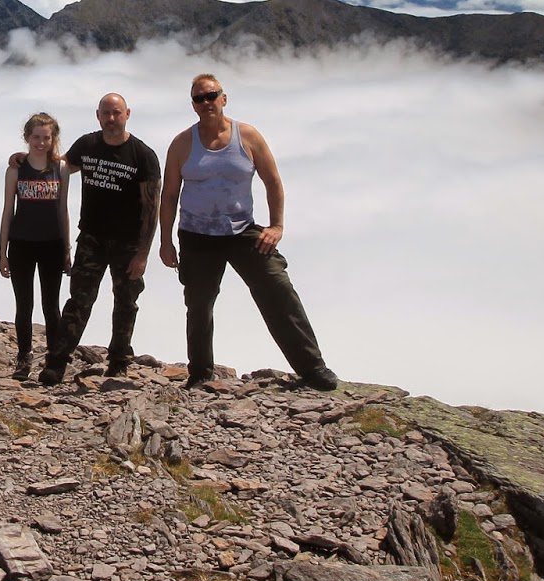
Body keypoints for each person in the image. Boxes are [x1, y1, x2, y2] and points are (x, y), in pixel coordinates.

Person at [157, 74, 339, 391]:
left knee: (278, 290)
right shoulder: (182, 143)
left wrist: (277, 226)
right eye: (199, 98)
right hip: (196, 235)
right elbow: (169, 194)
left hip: (242, 231)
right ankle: (200, 374)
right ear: (193, 105)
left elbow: (273, 181)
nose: (206, 102)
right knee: (199, 305)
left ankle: (313, 368)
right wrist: (165, 241)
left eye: (211, 95)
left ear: (223, 98)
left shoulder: (248, 136)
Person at [37, 93, 160, 386]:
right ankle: (57, 362)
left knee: (126, 301)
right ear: (98, 115)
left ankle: (119, 361)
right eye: (106, 113)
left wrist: (143, 253)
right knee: (79, 300)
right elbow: (61, 166)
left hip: (128, 242)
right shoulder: (88, 145)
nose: (111, 119)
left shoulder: (142, 155)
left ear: (127, 114)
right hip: (91, 238)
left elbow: (151, 207)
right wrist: (27, 159)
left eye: (116, 113)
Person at [0, 112, 70, 380]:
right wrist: (2, 252)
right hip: (21, 243)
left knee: (51, 306)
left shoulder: (60, 169)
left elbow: (63, 210)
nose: (41, 142)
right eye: (36, 137)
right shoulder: (15, 169)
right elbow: (7, 211)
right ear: (27, 137)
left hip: (52, 243)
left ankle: (53, 359)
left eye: (46, 137)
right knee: (23, 304)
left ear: (54, 139)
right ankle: (24, 357)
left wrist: (67, 249)